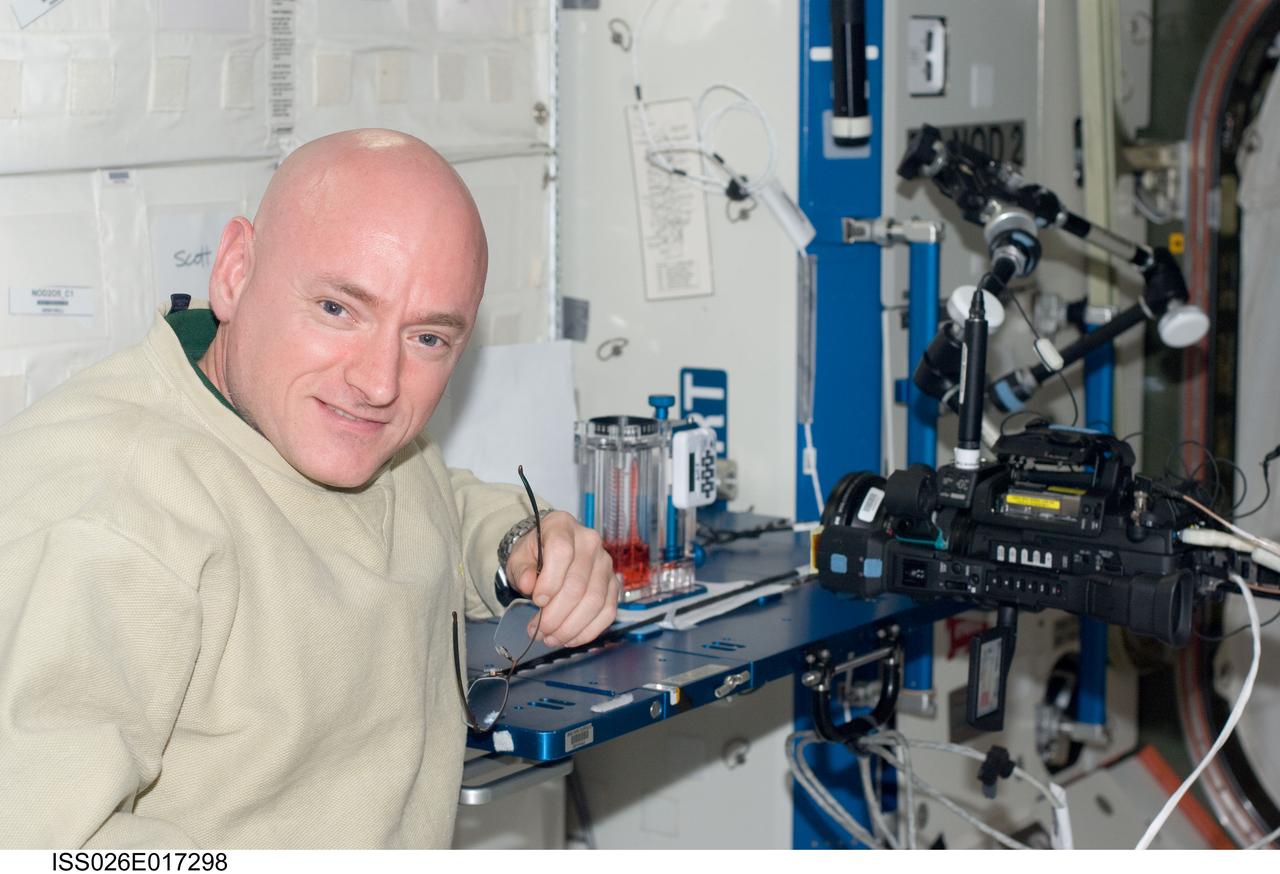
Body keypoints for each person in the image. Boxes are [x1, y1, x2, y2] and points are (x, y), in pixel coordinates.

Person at [0, 129, 619, 848]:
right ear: (235, 271)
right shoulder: (108, 515)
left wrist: (517, 542)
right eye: (337, 309)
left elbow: (424, 498)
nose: (379, 382)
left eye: (428, 338)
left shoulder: (321, 423)